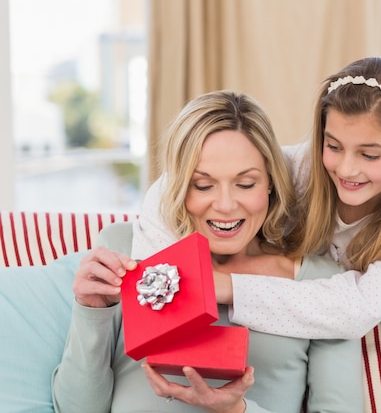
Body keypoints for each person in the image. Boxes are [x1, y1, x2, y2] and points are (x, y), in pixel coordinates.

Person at [51, 91, 364, 413]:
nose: (226, 206)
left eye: (246, 184)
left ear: (271, 182)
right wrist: (91, 313)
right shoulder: (125, 249)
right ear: (177, 186)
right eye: (203, 185)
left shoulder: (323, 283)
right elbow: (74, 409)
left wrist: (236, 410)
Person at [132, 56, 381, 340]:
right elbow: (170, 187)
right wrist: (164, 276)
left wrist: (226, 286)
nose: (346, 168)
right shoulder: (301, 168)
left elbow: (359, 308)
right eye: (332, 146)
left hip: (343, 343)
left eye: (369, 155)